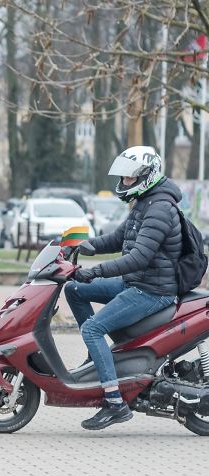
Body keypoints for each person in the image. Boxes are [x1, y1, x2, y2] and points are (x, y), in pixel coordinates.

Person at [64, 145, 182, 431]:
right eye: (124, 177)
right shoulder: (144, 202)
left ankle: (115, 403)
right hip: (137, 282)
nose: (124, 183)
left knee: (92, 329)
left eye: (129, 178)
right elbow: (119, 238)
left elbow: (138, 257)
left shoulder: (160, 208)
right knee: (73, 290)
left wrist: (96, 272)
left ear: (147, 175)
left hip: (152, 290)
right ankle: (97, 359)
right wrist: (86, 245)